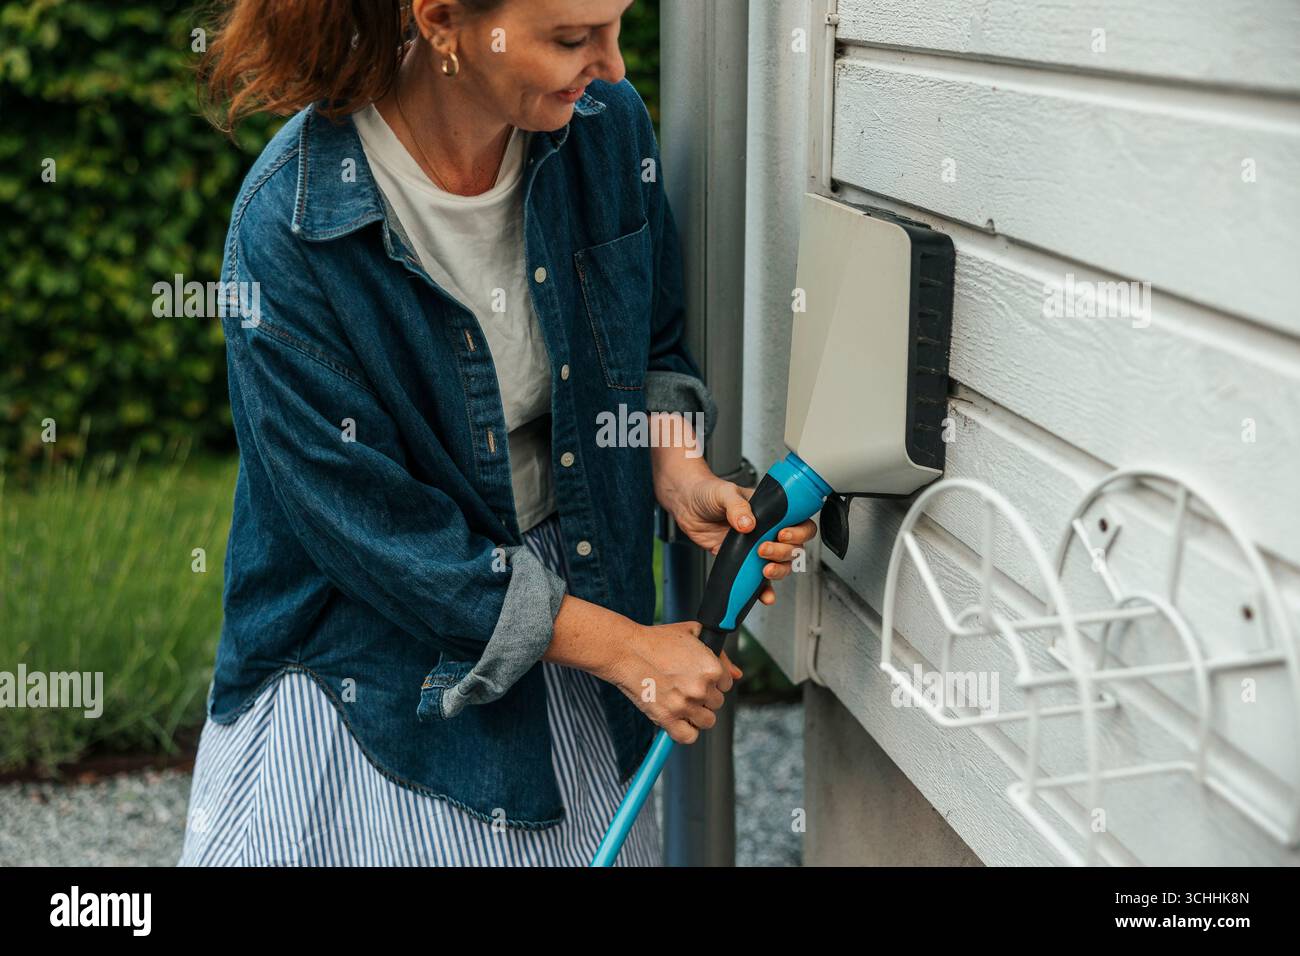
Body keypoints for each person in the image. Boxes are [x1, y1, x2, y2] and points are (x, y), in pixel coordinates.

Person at [179, 0, 818, 866]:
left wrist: (677, 473)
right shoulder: (289, 231)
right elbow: (377, 537)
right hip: (375, 658)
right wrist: (628, 649)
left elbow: (651, 341)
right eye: (572, 39)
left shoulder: (603, 127)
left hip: (578, 605)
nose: (617, 67)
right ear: (444, 21)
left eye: (617, 24)